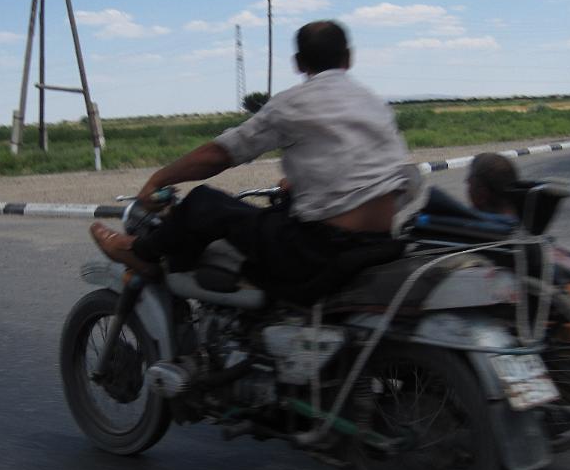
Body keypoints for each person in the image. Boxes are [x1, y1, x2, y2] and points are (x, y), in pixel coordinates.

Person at [90, 20, 416, 305]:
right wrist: (298, 183)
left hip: (321, 249)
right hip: (380, 238)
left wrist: (158, 179)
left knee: (205, 203)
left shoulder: (291, 104)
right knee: (272, 215)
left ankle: (141, 252)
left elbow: (220, 154)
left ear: (299, 63)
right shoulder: (375, 103)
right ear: (349, 58)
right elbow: (380, 171)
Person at [465, 152, 519, 217]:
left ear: (482, 194)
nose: (467, 181)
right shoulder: (524, 215)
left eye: (470, 182)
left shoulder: (477, 223)